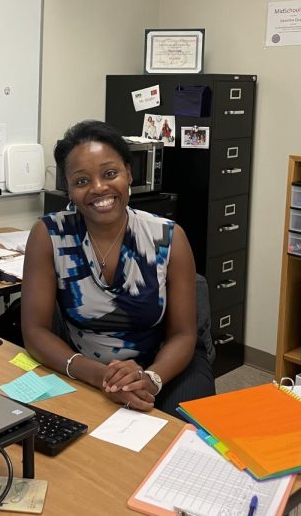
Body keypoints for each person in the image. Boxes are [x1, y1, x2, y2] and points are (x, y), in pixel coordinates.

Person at [22, 120, 214, 414]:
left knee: (178, 435)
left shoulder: (168, 237)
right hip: (86, 366)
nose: (98, 188)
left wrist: (150, 379)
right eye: (82, 181)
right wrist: (102, 377)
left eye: (110, 173)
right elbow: (35, 331)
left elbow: (183, 335)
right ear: (69, 189)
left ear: (129, 173)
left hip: (165, 363)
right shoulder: (49, 235)